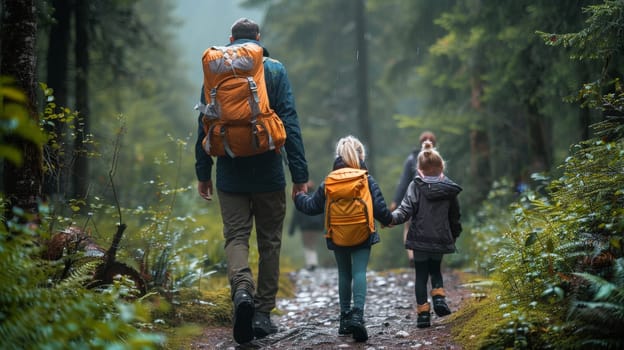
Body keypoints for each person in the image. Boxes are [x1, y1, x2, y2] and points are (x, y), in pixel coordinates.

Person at [195, 18, 309, 344]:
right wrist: (299, 175)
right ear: (258, 40)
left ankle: (241, 290)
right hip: (269, 172)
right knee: (270, 242)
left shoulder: (213, 70)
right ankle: (261, 314)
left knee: (236, 238)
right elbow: (289, 122)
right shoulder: (273, 70)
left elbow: (203, 123)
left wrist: (203, 172)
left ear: (230, 39)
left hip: (229, 172)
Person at [294, 135, 393, 342]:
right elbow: (380, 209)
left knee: (343, 274)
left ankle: (344, 319)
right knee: (359, 272)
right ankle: (358, 315)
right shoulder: (366, 178)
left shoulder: (329, 181)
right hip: (362, 233)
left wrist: (298, 197)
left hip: (337, 234)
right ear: (360, 155)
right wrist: (389, 220)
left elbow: (312, 207)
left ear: (338, 155)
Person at [390, 140, 462, 329]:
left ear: (419, 169)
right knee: (435, 269)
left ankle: (423, 315)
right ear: (441, 167)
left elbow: (405, 210)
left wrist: (391, 219)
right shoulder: (448, 188)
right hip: (440, 238)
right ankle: (439, 298)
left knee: (421, 275)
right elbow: (455, 216)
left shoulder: (415, 186)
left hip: (420, 241)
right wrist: (454, 234)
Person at [390, 131, 437, 267]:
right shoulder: (437, 159)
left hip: (413, 199)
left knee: (409, 227)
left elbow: (403, 182)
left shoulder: (412, 159)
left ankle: (412, 256)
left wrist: (395, 202)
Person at [287, 180, 324, 271]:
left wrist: (291, 229)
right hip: (316, 227)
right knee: (312, 244)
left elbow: (296, 216)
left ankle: (311, 263)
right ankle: (313, 262)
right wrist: (323, 226)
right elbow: (323, 213)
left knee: (307, 244)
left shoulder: (301, 198)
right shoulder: (318, 198)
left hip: (306, 227)